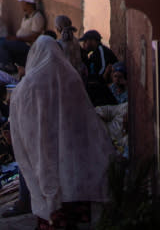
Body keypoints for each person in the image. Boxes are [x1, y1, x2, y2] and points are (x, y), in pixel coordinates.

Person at [10, 36, 116, 228]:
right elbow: (87, 121)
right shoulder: (72, 78)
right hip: (75, 169)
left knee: (53, 218)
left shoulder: (26, 87)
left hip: (44, 163)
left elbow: (21, 131)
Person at [0, 0, 46, 73]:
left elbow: (35, 36)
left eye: (23, 3)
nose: (21, 5)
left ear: (29, 4)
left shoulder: (37, 17)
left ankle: (9, 66)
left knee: (2, 44)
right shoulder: (27, 15)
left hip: (27, 45)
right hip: (19, 40)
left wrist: (18, 38)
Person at [80, 30, 119, 106]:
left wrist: (98, 80)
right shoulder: (93, 55)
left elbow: (103, 68)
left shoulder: (101, 50)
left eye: (85, 41)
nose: (84, 44)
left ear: (93, 41)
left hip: (104, 87)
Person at [55, 15, 87, 79]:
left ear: (59, 27)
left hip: (67, 76)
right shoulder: (75, 40)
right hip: (78, 75)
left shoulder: (59, 43)